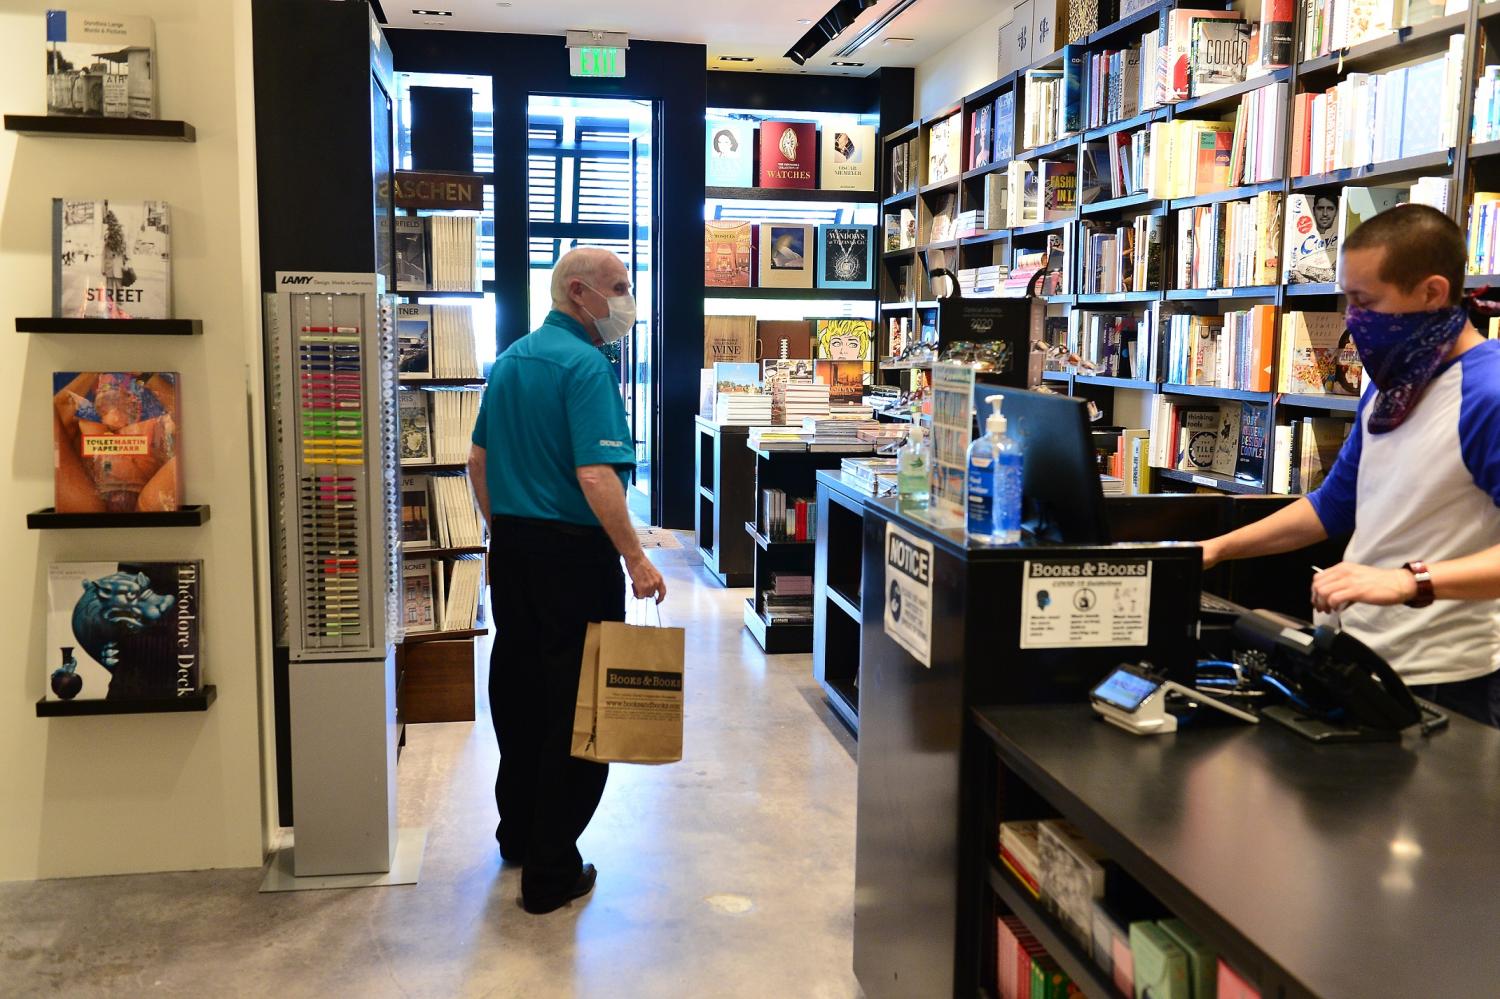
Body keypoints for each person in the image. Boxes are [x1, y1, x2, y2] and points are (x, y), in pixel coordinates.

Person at [1200, 204, 1500, 726]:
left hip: (1447, 680)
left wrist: (1411, 582)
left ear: (1431, 293)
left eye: (1364, 302)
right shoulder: (1392, 383)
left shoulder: (1488, 394)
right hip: (1360, 655)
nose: (1351, 319)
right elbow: (1334, 506)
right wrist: (1217, 549)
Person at [467, 247, 667, 914]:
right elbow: (595, 475)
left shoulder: (513, 360)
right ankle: (553, 869)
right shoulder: (586, 366)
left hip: (515, 552)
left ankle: (519, 834)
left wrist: (505, 530)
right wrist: (635, 557)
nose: (626, 302)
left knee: (520, 692)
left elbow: (477, 460)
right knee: (582, 706)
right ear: (578, 292)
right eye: (619, 288)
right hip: (574, 556)